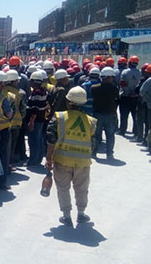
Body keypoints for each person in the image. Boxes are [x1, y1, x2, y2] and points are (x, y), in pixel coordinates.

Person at [45, 86, 97, 226]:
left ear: (68, 101)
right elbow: (92, 143)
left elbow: (51, 140)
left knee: (63, 188)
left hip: (62, 160)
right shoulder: (91, 121)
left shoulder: (59, 117)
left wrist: (48, 158)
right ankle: (81, 214)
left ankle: (66, 216)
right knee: (82, 189)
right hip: (83, 162)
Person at [90, 67, 119, 159]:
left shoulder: (94, 88)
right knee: (110, 135)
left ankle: (94, 152)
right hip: (110, 114)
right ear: (109, 77)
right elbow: (117, 98)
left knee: (96, 135)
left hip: (97, 114)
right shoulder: (114, 88)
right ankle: (109, 153)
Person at [27, 71, 49, 167]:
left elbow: (35, 108)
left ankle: (33, 160)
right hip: (41, 119)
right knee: (39, 139)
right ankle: (38, 158)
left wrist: (31, 121)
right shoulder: (43, 90)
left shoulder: (37, 92)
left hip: (36, 120)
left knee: (34, 141)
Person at [118, 55, 141, 136]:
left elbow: (122, 84)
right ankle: (135, 131)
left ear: (129, 63)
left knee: (124, 115)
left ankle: (122, 130)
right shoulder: (140, 72)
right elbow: (140, 84)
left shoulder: (125, 72)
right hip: (135, 97)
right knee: (135, 116)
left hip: (125, 97)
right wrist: (134, 93)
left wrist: (128, 92)